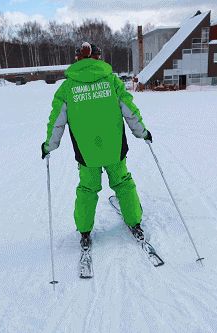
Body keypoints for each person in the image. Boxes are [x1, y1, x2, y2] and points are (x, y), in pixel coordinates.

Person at [41, 42, 152, 250]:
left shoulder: (67, 88)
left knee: (87, 189)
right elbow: (129, 110)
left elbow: (56, 120)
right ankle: (134, 221)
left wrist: (49, 145)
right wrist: (142, 132)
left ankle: (84, 230)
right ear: (99, 58)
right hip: (114, 149)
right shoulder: (112, 82)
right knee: (122, 183)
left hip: (86, 153)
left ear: (77, 60)